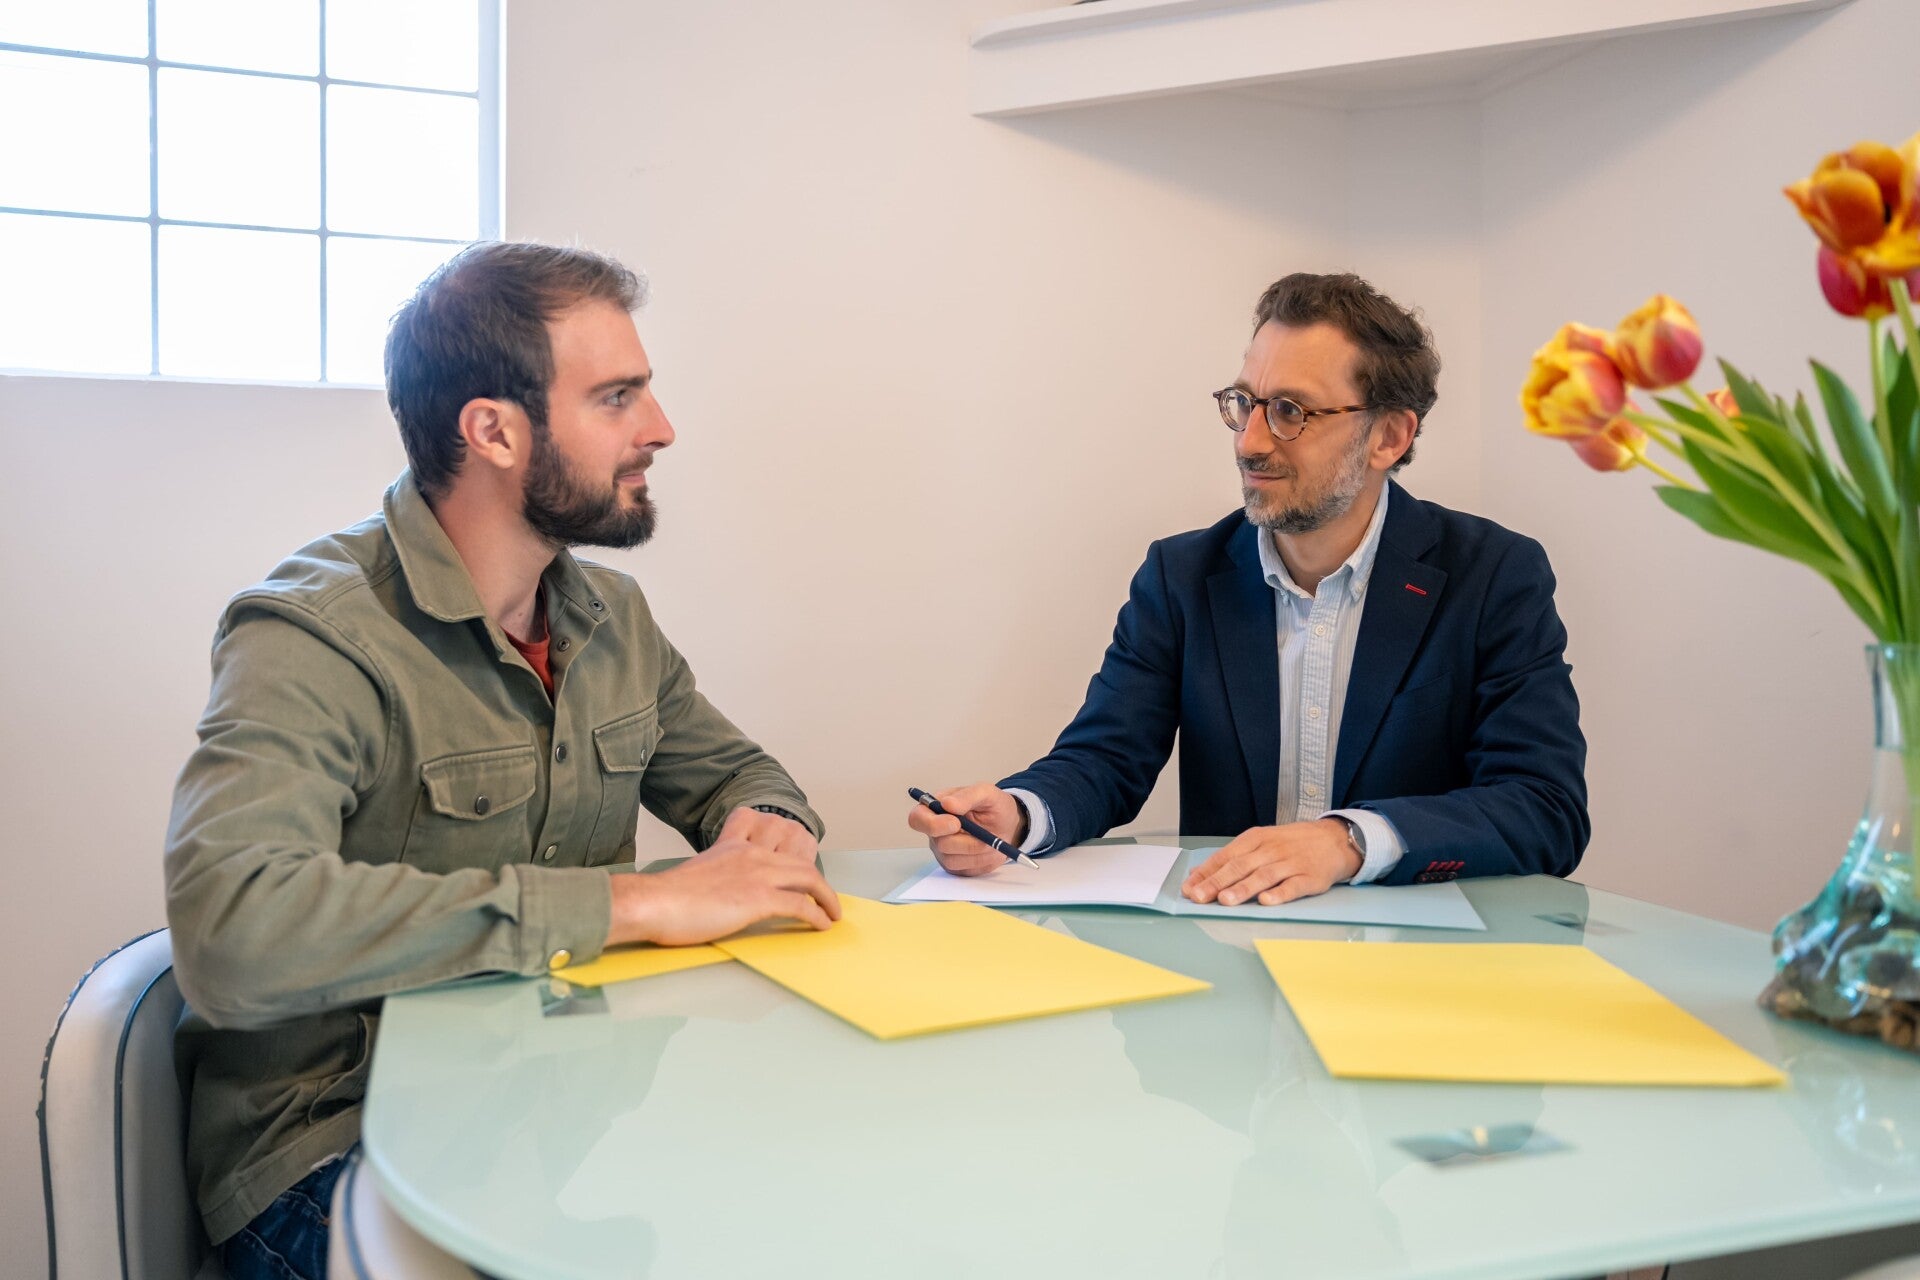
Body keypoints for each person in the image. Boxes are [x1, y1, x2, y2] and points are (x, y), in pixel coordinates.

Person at [164, 241, 840, 1278]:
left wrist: (769, 827)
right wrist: (631, 904)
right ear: (493, 431)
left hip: (556, 1117)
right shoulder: (313, 632)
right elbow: (233, 928)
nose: (661, 427)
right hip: (343, 1148)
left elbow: (739, 777)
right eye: (617, 397)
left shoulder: (612, 617)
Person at [909, 272, 1588, 907]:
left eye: (1291, 410)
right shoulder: (1181, 576)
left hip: (1414, 964)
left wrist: (1348, 842)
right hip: (1232, 940)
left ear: (1388, 436)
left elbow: (1545, 808)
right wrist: (1019, 815)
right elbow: (1106, 758)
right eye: (1245, 404)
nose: (1250, 442)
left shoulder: (1492, 575)